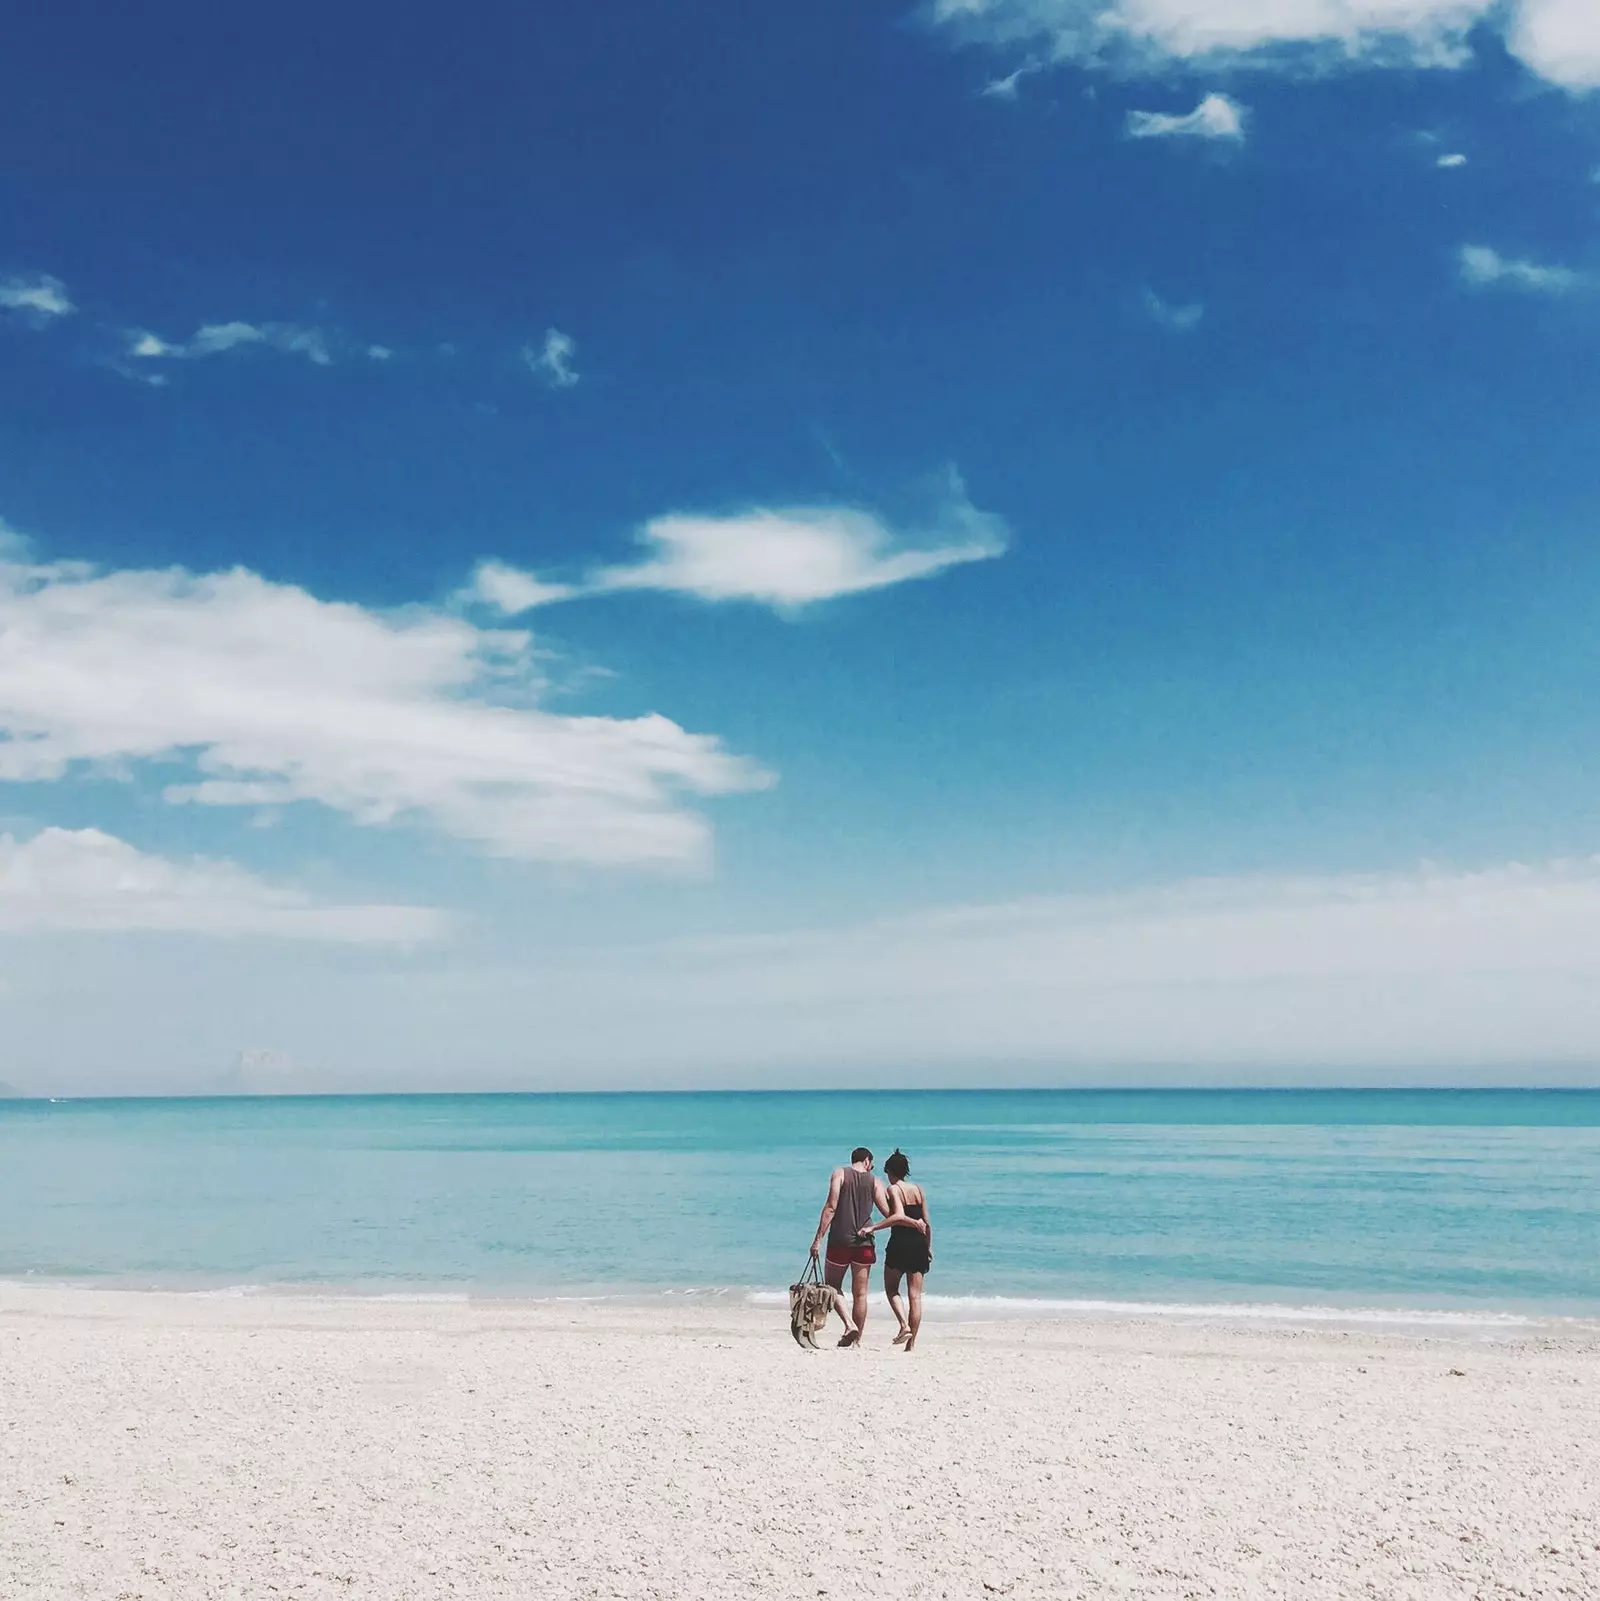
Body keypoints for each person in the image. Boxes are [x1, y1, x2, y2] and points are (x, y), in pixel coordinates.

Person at [809, 1146, 928, 1348]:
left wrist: (818, 1239)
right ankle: (857, 1341)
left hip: (840, 1240)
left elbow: (831, 1207)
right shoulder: (875, 1182)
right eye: (871, 1165)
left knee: (832, 1286)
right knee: (861, 1294)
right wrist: (913, 1222)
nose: (871, 1168)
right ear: (866, 1161)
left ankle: (848, 1324)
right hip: (864, 1244)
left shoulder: (839, 1174)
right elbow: (889, 1213)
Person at [860, 1148, 932, 1352]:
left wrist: (873, 1227)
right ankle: (911, 1344)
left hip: (900, 1243)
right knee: (915, 1296)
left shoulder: (893, 1189)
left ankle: (904, 1325)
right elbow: (927, 1223)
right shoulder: (918, 1189)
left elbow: (898, 1216)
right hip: (919, 1244)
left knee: (892, 1289)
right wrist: (928, 1247)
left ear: (890, 1171)